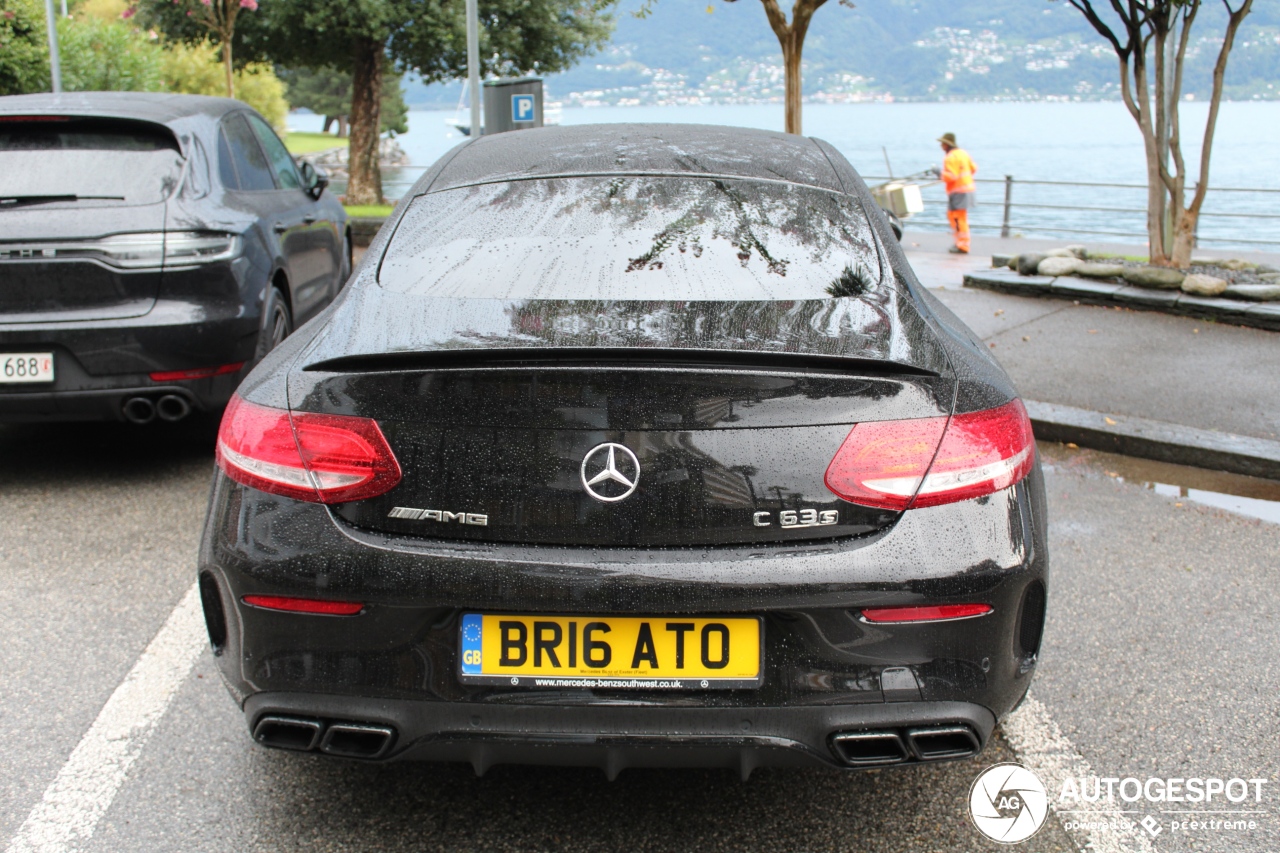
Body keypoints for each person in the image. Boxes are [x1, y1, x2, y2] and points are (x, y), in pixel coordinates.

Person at [938, 132, 977, 254]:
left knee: (957, 219)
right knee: (959, 217)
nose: (941, 146)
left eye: (942, 143)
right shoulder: (963, 153)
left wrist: (938, 173)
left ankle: (962, 245)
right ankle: (961, 243)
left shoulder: (950, 157)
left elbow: (951, 176)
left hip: (958, 191)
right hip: (967, 189)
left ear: (947, 144)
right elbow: (973, 168)